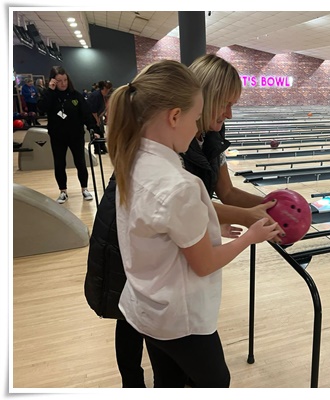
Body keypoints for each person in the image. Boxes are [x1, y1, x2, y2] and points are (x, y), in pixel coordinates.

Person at [85, 54, 285, 388]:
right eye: (199, 116)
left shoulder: (133, 157)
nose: (228, 114)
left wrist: (218, 226)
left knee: (168, 377)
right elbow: (202, 258)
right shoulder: (178, 182)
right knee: (215, 381)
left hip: (149, 300)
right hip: (179, 316)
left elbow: (175, 221)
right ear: (177, 115)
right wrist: (249, 235)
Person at [38, 66, 100, 203]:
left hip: (75, 135)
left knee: (80, 162)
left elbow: (86, 114)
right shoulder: (50, 95)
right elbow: (42, 108)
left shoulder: (75, 95)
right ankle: (63, 191)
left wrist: (94, 129)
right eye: (59, 81)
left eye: (65, 80)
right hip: (57, 136)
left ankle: (84, 188)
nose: (63, 83)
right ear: (53, 81)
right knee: (59, 163)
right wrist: (50, 90)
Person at [87, 80, 112, 154]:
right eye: (107, 89)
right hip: (91, 116)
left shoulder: (102, 95)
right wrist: (97, 121)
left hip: (97, 115)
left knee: (100, 132)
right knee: (96, 132)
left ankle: (103, 147)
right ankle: (97, 149)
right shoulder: (96, 95)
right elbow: (93, 111)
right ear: (103, 88)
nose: (108, 91)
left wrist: (102, 116)